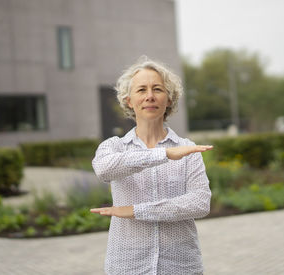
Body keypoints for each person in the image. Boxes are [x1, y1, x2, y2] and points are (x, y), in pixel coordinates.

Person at [90, 56, 213, 275]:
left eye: (157, 89)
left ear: (169, 99)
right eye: (141, 90)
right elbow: (104, 169)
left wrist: (136, 211)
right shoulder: (114, 146)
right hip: (127, 266)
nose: (149, 96)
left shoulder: (188, 149)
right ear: (129, 100)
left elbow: (200, 203)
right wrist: (163, 154)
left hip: (180, 266)